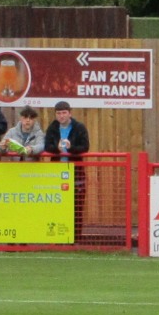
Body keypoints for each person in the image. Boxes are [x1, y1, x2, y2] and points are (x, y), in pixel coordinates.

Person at [44, 101, 90, 242]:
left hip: (76, 171)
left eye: (64, 113)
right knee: (58, 205)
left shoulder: (79, 127)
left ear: (70, 113)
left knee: (76, 205)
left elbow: (85, 147)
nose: (61, 116)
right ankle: (59, 237)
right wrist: (56, 148)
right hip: (57, 172)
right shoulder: (52, 128)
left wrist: (71, 148)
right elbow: (47, 146)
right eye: (58, 113)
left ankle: (76, 238)